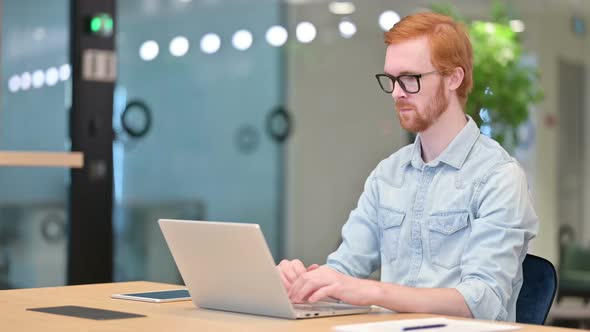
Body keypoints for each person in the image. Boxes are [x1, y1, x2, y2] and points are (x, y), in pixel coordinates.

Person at [276, 12, 538, 322]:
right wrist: (305, 281)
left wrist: (370, 291)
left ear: (454, 78)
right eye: (392, 79)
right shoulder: (387, 175)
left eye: (410, 79)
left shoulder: (499, 178)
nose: (398, 92)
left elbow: (482, 300)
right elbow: (345, 268)